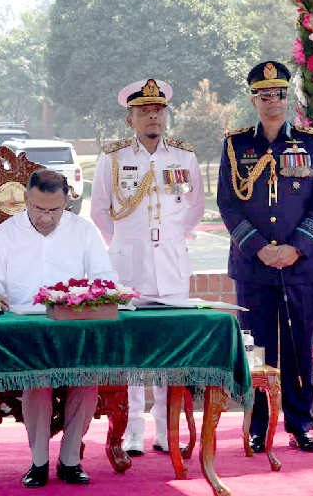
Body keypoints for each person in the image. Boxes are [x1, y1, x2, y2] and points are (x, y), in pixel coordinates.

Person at [217, 61, 313, 453]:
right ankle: (258, 424)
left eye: (280, 95)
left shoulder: (311, 141)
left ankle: (300, 424)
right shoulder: (236, 145)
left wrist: (296, 247)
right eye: (265, 96)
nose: (274, 103)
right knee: (258, 349)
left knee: (300, 344)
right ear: (253, 99)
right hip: (253, 267)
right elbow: (228, 205)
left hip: (299, 266)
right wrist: (259, 249)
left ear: (289, 97)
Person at [0, 169, 118, 488]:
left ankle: (70, 460)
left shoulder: (83, 232)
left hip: (74, 330)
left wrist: (91, 296)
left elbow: (105, 279)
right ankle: (38, 462)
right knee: (37, 380)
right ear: (25, 199)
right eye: (38, 209)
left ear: (67, 201)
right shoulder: (5, 233)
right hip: (25, 332)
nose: (45, 217)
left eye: (54, 210)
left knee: (86, 378)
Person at [90, 78, 205, 456]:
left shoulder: (183, 156)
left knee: (168, 349)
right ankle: (134, 431)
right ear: (130, 119)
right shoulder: (113, 157)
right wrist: (125, 243)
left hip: (171, 262)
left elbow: (195, 208)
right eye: (143, 112)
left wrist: (171, 238)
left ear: (166, 116)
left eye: (158, 111)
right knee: (133, 349)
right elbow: (100, 210)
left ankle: (165, 430)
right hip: (129, 261)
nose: (152, 118)